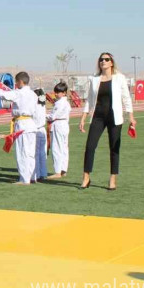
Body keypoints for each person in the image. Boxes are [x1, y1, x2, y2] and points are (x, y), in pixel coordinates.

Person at [79, 52, 136, 191]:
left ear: (111, 62)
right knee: (90, 146)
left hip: (114, 117)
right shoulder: (94, 79)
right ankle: (86, 177)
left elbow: (126, 98)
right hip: (98, 117)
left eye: (106, 59)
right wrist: (83, 118)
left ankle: (112, 179)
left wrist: (131, 117)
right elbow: (90, 100)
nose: (103, 61)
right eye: (101, 59)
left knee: (114, 148)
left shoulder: (120, 78)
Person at [0, 72, 38, 185]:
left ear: (20, 82)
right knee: (30, 153)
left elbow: (4, 95)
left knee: (22, 152)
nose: (16, 84)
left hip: (23, 124)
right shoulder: (33, 94)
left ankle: (24, 179)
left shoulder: (19, 93)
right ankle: (32, 176)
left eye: (16, 82)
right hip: (31, 124)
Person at [46, 83, 72, 179]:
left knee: (56, 148)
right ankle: (63, 169)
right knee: (64, 148)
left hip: (58, 125)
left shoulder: (59, 103)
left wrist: (44, 115)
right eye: (55, 92)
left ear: (64, 93)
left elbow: (53, 116)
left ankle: (57, 172)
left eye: (58, 92)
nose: (56, 94)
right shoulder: (66, 103)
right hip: (64, 125)